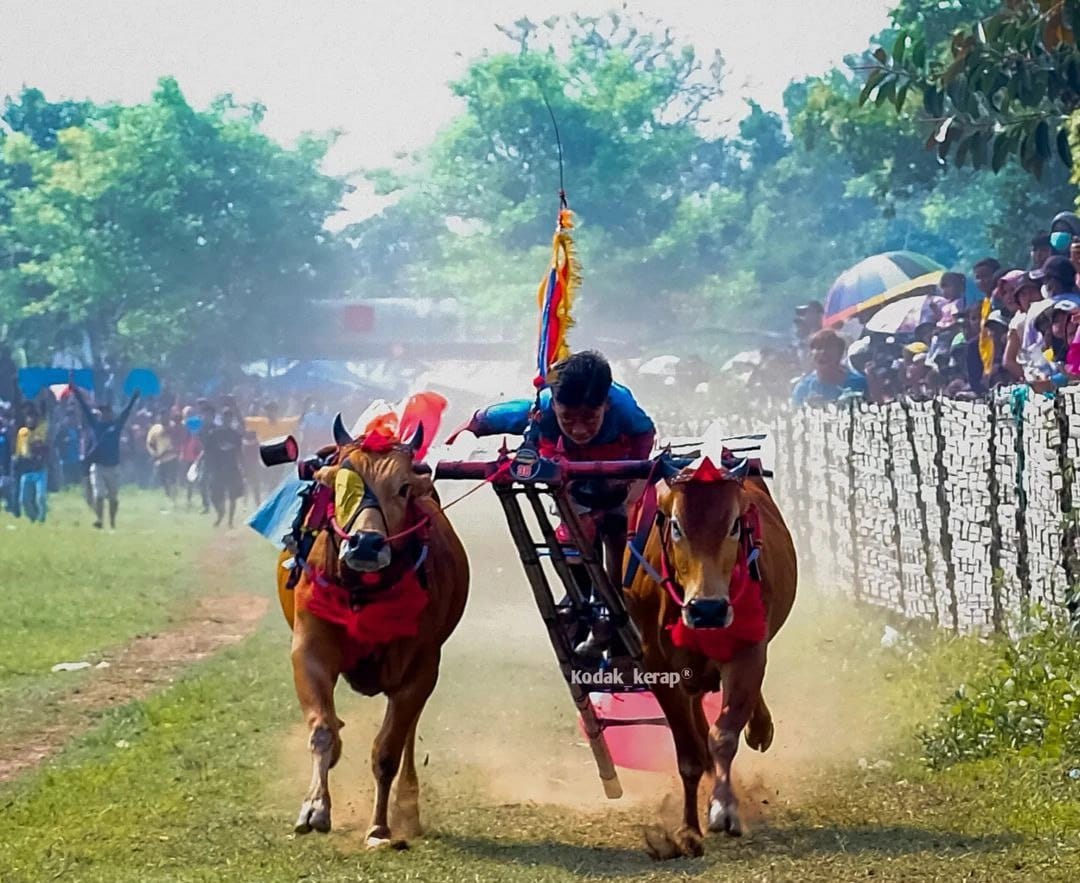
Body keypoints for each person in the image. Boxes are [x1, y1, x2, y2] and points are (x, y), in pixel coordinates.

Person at [452, 350, 656, 658]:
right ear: (555, 407)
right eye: (568, 419)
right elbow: (479, 422)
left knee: (618, 541)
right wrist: (462, 441)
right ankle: (579, 606)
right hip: (569, 479)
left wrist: (632, 478)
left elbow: (645, 434)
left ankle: (615, 624)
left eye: (590, 418)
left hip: (617, 475)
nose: (579, 429)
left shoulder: (623, 406)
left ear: (606, 405)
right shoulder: (541, 408)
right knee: (577, 539)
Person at [72, 385, 139, 529]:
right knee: (99, 494)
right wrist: (75, 392)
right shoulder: (95, 425)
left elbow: (126, 413)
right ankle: (100, 520)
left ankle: (112, 522)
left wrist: (133, 399)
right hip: (98, 466)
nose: (103, 414)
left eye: (106, 412)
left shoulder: (116, 426)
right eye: (102, 412)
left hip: (113, 467)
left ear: (110, 413)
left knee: (113, 498)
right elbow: (84, 408)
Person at [792, 329, 868, 407]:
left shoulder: (859, 383)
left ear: (840, 354)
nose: (823, 352)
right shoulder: (804, 389)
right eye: (819, 348)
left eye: (828, 347)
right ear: (811, 355)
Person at [202, 404, 245, 528]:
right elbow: (207, 450)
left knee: (233, 496)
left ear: (231, 419)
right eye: (225, 418)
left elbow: (239, 452)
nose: (227, 420)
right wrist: (207, 465)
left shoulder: (235, 435)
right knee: (215, 496)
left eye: (229, 418)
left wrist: (242, 467)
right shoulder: (214, 433)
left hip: (232, 468)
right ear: (222, 419)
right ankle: (220, 513)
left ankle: (230, 521)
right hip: (218, 468)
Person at [14, 402, 49, 523]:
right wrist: (17, 457)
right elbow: (19, 449)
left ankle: (41, 519)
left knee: (41, 497)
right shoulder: (22, 432)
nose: (30, 420)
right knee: (24, 500)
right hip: (26, 469)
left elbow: (43, 444)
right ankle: (33, 518)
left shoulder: (41, 430)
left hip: (39, 468)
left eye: (33, 417)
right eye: (28, 417)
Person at [145, 408, 179, 499]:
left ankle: (174, 496)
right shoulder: (155, 428)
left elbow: (177, 440)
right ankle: (168, 494)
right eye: (162, 416)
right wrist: (154, 453)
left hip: (172, 457)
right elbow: (150, 442)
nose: (164, 418)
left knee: (173, 479)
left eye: (166, 416)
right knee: (163, 479)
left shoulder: (174, 426)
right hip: (160, 459)